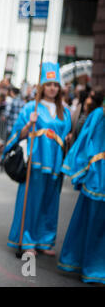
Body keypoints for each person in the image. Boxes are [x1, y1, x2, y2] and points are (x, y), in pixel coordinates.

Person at [4, 62, 71, 256]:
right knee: (31, 202)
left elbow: (66, 134)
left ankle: (44, 240)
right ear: (42, 86)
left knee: (50, 202)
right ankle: (27, 241)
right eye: (49, 84)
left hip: (55, 163)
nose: (52, 88)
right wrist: (29, 124)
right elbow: (17, 135)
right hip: (35, 161)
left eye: (55, 85)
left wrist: (67, 138)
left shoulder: (64, 112)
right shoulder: (29, 108)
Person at [58, 104, 104, 285]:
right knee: (92, 224)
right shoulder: (99, 114)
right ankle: (91, 267)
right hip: (98, 178)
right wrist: (85, 168)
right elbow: (85, 141)